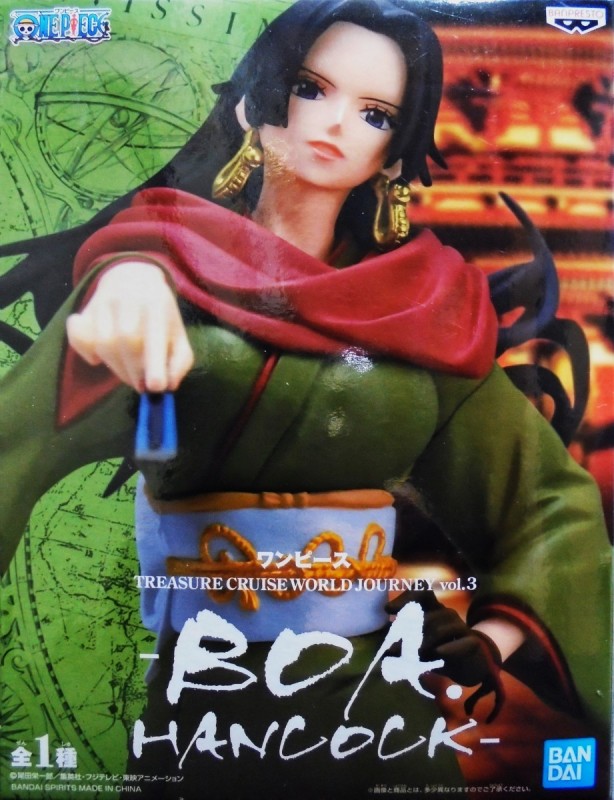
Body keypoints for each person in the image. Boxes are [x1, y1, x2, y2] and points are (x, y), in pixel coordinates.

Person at [0, 1, 610, 797]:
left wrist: (492, 638)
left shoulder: (426, 307)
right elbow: (12, 444)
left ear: (394, 151)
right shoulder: (154, 270)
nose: (335, 124)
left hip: (374, 707)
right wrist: (119, 282)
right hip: (198, 699)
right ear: (254, 101)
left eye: (375, 113)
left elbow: (546, 504)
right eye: (309, 88)